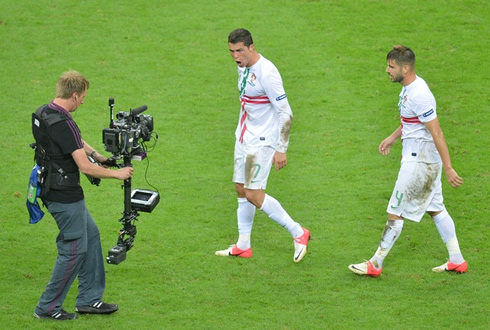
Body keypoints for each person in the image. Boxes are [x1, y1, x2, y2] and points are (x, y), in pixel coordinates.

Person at [348, 45, 466, 277]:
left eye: (391, 67)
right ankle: (457, 260)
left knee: (395, 210)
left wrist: (450, 167)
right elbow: (410, 122)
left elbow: (437, 132)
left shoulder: (420, 94)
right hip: (420, 159)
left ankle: (376, 263)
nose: (386, 71)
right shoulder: (408, 89)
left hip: (419, 162)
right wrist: (393, 138)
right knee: (436, 209)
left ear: (406, 68)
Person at [32, 71, 134, 320]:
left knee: (91, 235)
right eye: (83, 97)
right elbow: (85, 167)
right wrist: (118, 174)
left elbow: (74, 141)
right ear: (74, 95)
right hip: (64, 195)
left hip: (51, 188)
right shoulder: (63, 123)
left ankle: (89, 299)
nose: (84, 102)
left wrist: (97, 154)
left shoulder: (45, 112)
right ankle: (47, 308)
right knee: (74, 250)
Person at [215, 28, 310, 263]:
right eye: (231, 51)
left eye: (239, 51)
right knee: (240, 187)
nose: (235, 56)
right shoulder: (242, 67)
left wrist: (281, 148)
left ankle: (299, 232)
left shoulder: (267, 73)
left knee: (253, 193)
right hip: (244, 138)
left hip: (263, 142)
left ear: (251, 48)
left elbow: (286, 113)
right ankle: (243, 245)